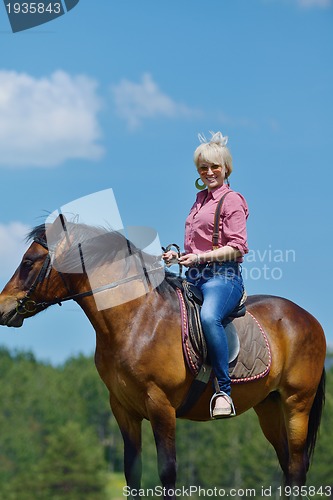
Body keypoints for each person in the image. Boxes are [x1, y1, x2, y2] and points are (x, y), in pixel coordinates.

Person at [162, 131, 249, 418]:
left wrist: (199, 257)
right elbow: (197, 244)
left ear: (226, 169)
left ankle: (223, 390)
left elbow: (237, 248)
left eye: (214, 166)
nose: (209, 172)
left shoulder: (232, 200)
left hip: (223, 278)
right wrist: (179, 256)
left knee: (209, 317)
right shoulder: (199, 200)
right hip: (194, 276)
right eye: (203, 167)